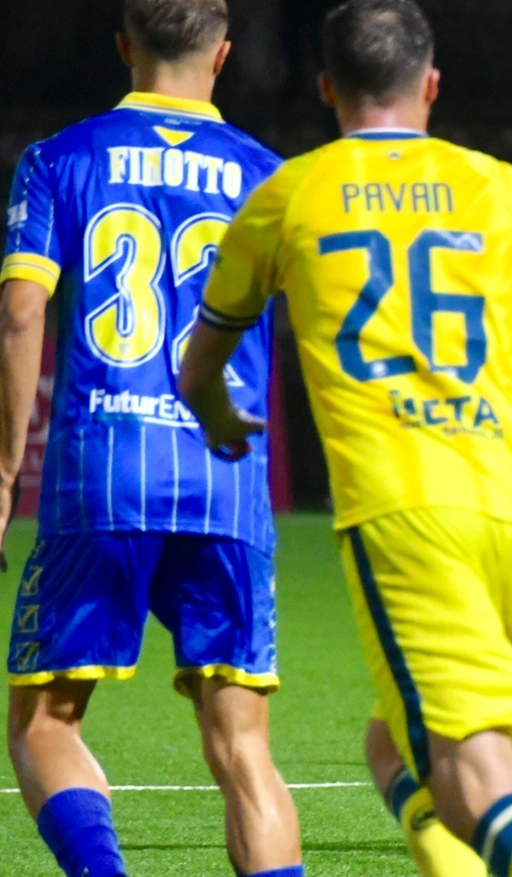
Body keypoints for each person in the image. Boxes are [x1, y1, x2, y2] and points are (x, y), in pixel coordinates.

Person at [178, 1, 512, 875]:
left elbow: (201, 355)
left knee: (479, 781)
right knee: (394, 747)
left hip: (406, 510)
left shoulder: (289, 194)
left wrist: (211, 411)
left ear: (327, 88)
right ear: (432, 84)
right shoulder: (502, 182)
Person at [0, 3, 304, 876]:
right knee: (242, 746)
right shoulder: (268, 178)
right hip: (227, 477)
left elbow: (23, 313)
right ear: (224, 58)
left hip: (106, 472)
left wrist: (2, 470)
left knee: (45, 722)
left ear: (125, 47)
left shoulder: (59, 158)